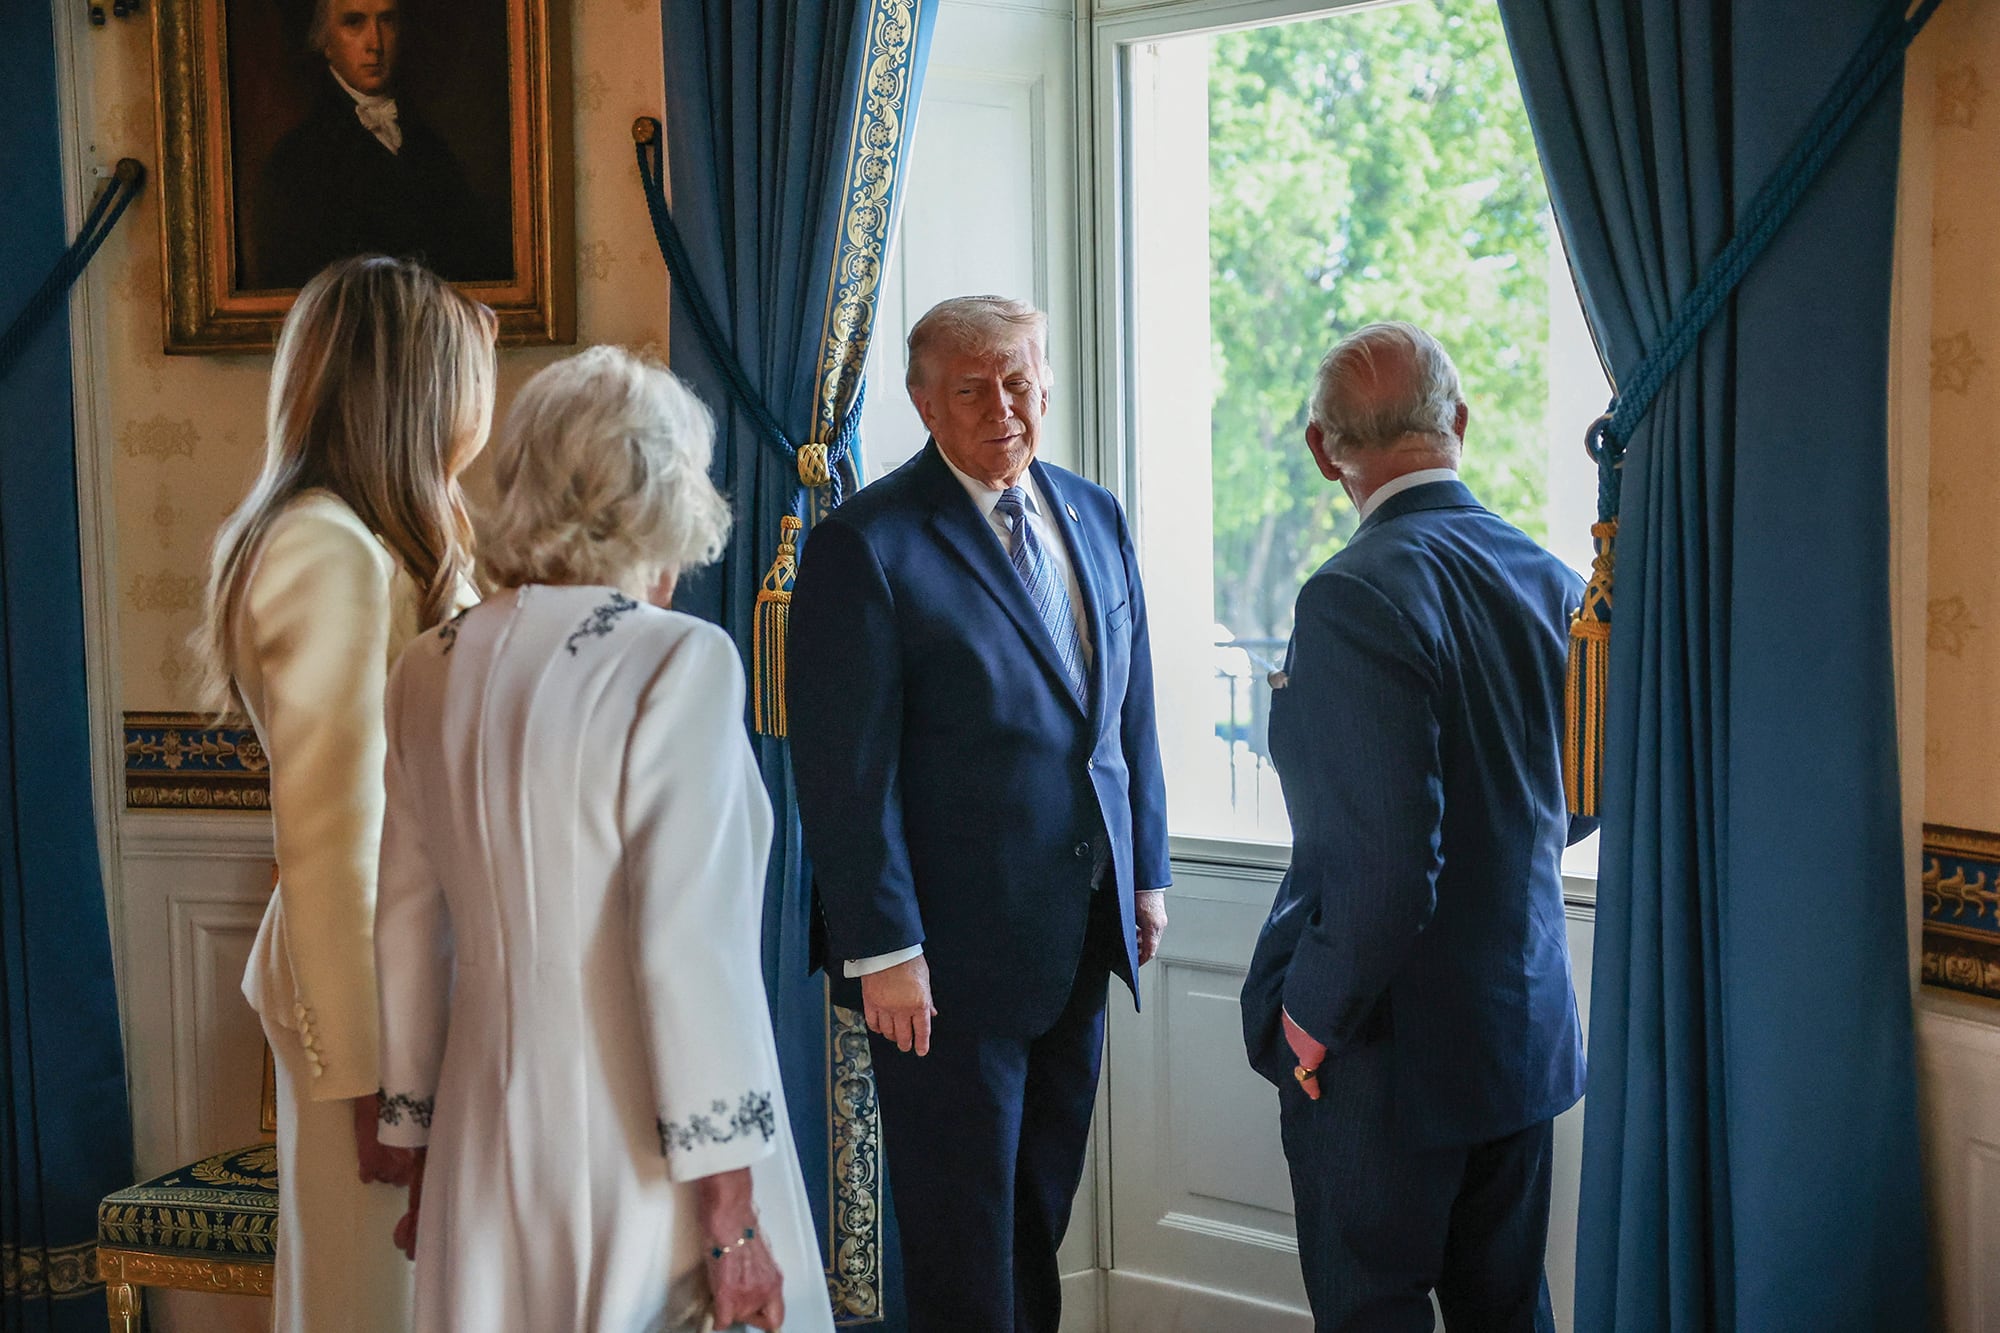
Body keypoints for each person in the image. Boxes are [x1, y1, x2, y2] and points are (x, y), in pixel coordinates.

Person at [371, 346, 833, 1333]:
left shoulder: (426, 666)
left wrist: (416, 1142)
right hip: (640, 1141)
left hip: (479, 1137)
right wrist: (731, 1222)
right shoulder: (677, 660)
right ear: (665, 492)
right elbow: (687, 952)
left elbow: (408, 924)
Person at [787, 295, 1171, 1333]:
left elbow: (1127, 710)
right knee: (961, 1240)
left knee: (1032, 1219)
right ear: (922, 403)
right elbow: (842, 774)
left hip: (1079, 935)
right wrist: (883, 951)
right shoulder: (865, 545)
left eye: (1017, 381)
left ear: (1044, 382)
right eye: (970, 389)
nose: (1001, 407)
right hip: (939, 966)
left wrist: (1146, 873)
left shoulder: (1095, 512)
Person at [1239, 322, 1598, 1332]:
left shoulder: (1351, 594)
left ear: (1322, 451)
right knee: (1506, 1313)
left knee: (1370, 1314)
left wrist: (1307, 1020)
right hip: (1519, 1032)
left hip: (1383, 1055)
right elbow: (1580, 792)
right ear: (1460, 422)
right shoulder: (1552, 582)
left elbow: (1385, 868)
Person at [198, 254, 494, 1331]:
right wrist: (372, 1079)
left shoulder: (384, 539)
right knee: (370, 1298)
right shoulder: (323, 547)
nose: (479, 408)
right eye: (466, 377)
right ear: (414, 390)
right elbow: (330, 836)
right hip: (368, 996)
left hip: (419, 972)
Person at [251, 0, 509, 290]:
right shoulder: (296, 160)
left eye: (386, 21)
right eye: (354, 23)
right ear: (324, 40)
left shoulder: (433, 149)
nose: (375, 44)